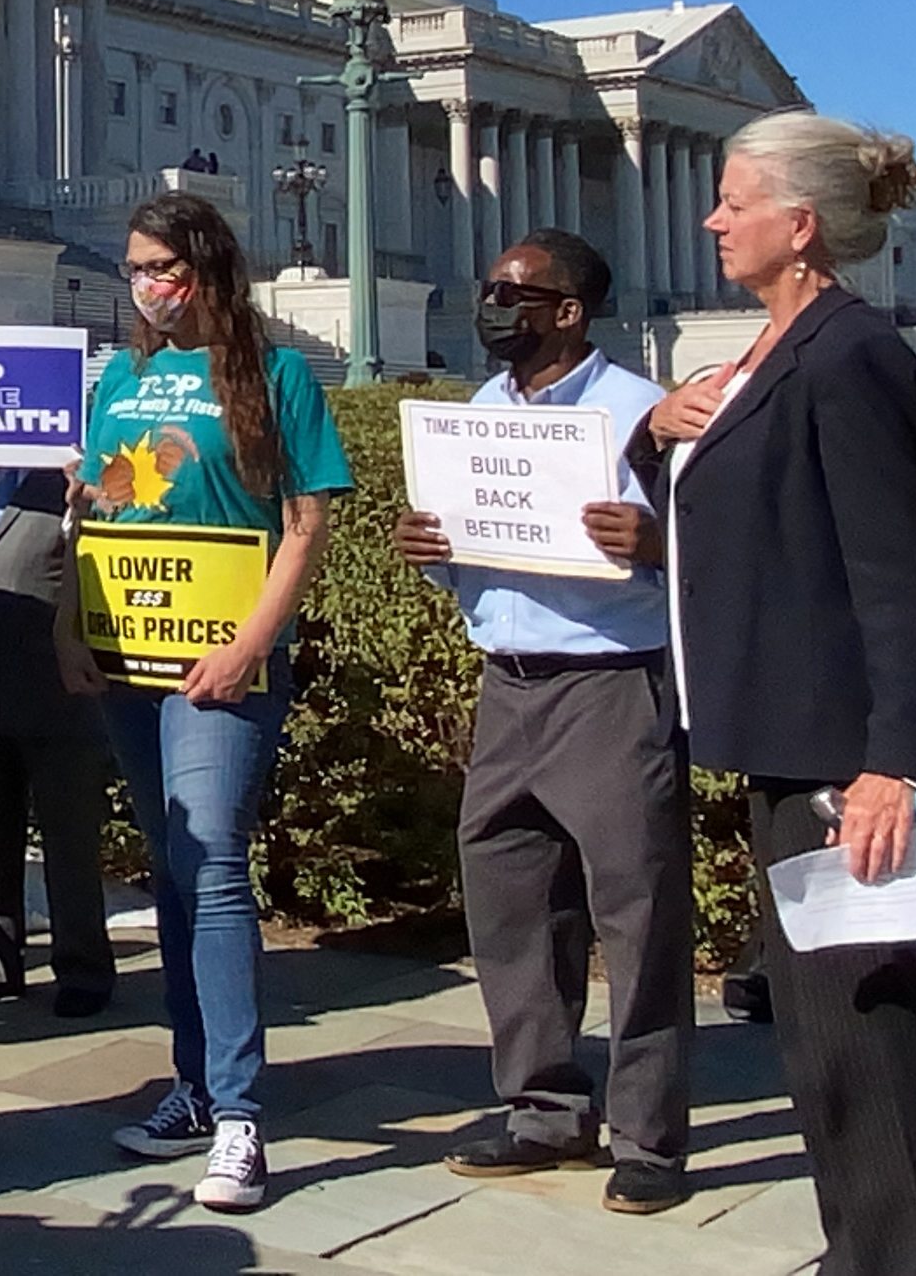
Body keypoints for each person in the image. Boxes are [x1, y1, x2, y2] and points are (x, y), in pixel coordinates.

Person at [630, 114, 916, 1276]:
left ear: (801, 223)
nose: (711, 216)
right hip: (783, 747)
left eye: (734, 199)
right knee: (823, 1049)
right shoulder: (763, 355)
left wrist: (896, 761)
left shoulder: (850, 353)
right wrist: (654, 433)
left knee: (863, 1047)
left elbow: (898, 574)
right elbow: (726, 527)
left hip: (843, 766)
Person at [391, 231, 693, 1217]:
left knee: (636, 917)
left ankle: (649, 1137)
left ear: (567, 310)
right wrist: (428, 546)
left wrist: (657, 545)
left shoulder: (641, 415)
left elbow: (717, 550)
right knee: (511, 905)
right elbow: (471, 554)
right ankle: (542, 1108)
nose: (492, 305)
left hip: (610, 687)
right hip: (505, 683)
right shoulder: (480, 411)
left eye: (513, 292)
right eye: (490, 289)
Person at [76, 191, 350, 1214]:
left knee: (213, 864)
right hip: (125, 657)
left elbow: (305, 524)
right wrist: (72, 627)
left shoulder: (277, 376)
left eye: (161, 267)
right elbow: (101, 506)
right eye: (134, 269)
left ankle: (239, 1115)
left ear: (205, 271)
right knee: (174, 873)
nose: (146, 286)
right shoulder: (122, 376)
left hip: (218, 664)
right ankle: (189, 1090)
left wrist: (249, 644)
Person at [0, 462, 118, 1018]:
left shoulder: (80, 471)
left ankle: (83, 968)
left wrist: (88, 497)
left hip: (58, 691)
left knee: (70, 842)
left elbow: (123, 530)